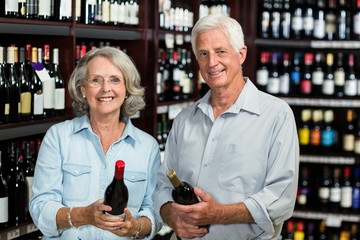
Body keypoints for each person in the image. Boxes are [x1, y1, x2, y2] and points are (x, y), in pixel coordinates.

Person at [154, 14, 299, 240]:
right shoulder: (185, 119)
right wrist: (172, 217)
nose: (212, 63)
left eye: (220, 51)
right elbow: (162, 185)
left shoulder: (276, 115)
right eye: (204, 54)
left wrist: (219, 214)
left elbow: (281, 199)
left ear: (241, 54)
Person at [29, 46, 162, 239]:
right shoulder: (58, 137)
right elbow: (40, 207)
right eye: (95, 80)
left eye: (115, 80)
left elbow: (155, 212)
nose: (105, 88)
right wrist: (84, 215)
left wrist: (136, 227)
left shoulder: (147, 147)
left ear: (127, 89)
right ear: (83, 89)